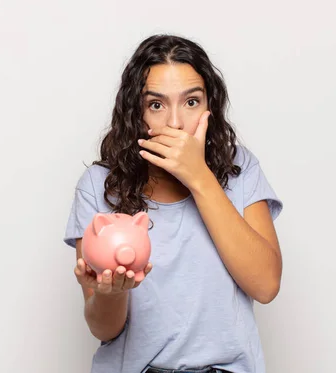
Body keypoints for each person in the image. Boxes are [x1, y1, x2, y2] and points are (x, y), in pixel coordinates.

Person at [63, 34, 284, 373]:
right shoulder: (99, 186)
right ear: (136, 113)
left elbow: (266, 285)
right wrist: (110, 294)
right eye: (156, 105)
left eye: (191, 102)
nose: (176, 123)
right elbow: (103, 329)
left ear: (210, 106)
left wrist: (199, 177)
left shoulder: (240, 169)